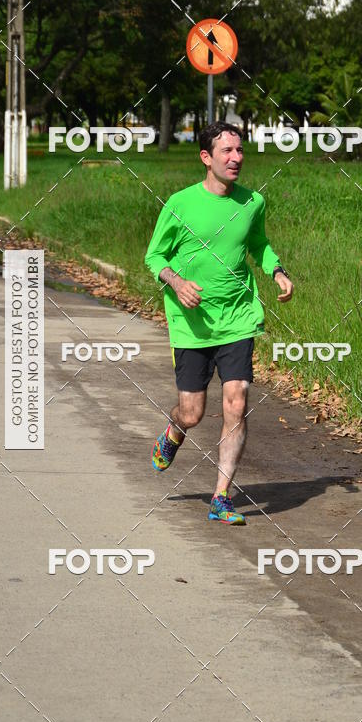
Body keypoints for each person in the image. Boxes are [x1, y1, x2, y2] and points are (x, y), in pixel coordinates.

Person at [144, 121, 293, 524]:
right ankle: (175, 431)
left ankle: (222, 497)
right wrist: (176, 282)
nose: (236, 158)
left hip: (238, 318)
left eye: (239, 150)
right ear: (206, 158)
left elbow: (257, 243)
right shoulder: (180, 204)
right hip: (191, 321)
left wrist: (276, 271)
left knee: (237, 403)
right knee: (192, 412)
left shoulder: (253, 203)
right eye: (226, 151)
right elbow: (154, 258)